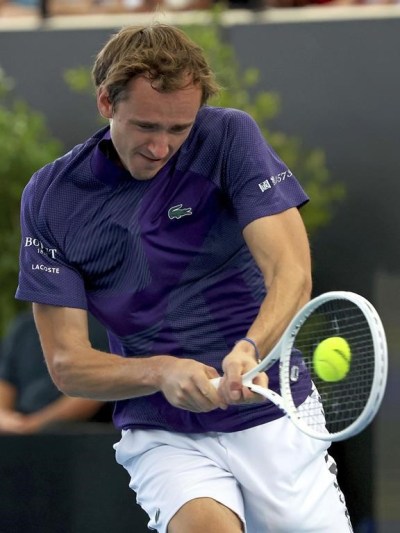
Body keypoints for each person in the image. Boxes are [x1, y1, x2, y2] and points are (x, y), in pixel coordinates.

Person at [16, 24, 353, 532]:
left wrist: (250, 347)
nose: (161, 147)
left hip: (275, 415)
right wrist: (160, 372)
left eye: (179, 130)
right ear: (107, 102)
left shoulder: (229, 136)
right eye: (147, 126)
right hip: (164, 432)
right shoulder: (50, 197)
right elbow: (68, 365)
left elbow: (290, 272)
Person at [0, 309, 112, 434]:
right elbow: (6, 380)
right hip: (19, 432)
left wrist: (35, 424)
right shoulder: (24, 326)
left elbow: (100, 385)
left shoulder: (106, 324)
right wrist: (5, 418)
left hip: (82, 433)